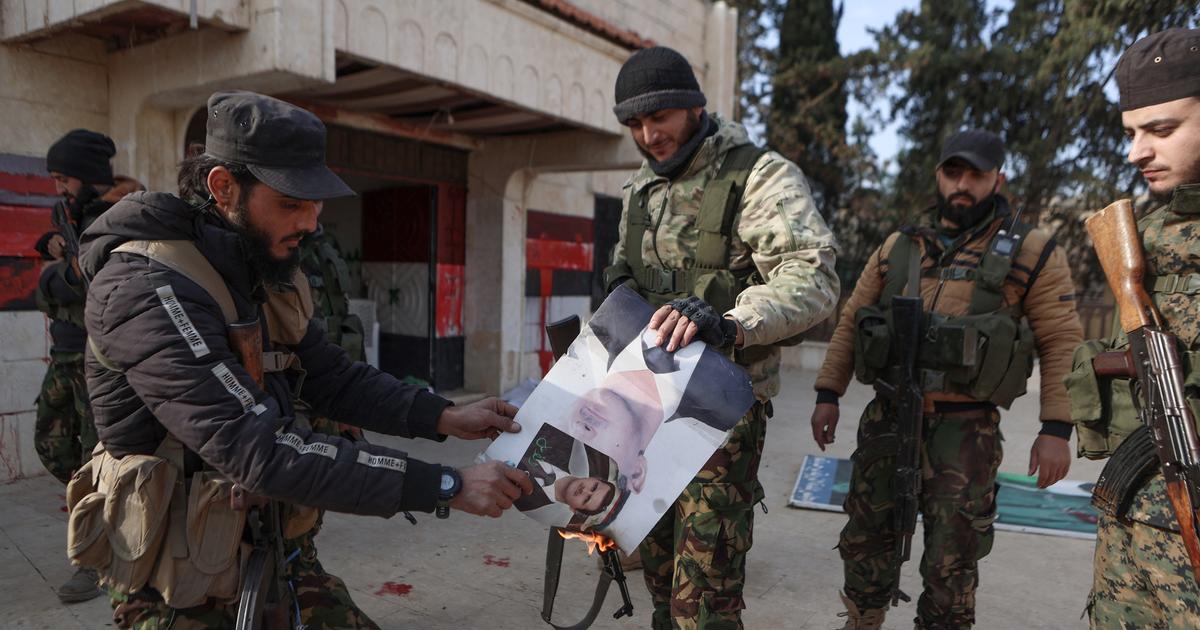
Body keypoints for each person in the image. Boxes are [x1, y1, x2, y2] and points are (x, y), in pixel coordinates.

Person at [74, 91, 532, 628]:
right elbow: (257, 447)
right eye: (291, 202)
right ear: (223, 187)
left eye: (315, 202)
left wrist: (442, 415)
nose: (311, 222)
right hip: (176, 583)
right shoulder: (146, 289)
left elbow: (328, 375)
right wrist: (446, 486)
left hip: (267, 548)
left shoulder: (253, 266)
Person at [602, 46, 840, 628]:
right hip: (644, 409)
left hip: (718, 412)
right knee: (656, 570)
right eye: (634, 123)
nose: (649, 134)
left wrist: (732, 323)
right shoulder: (640, 189)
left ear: (695, 106)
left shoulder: (757, 175)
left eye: (659, 117)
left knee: (704, 594)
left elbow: (813, 274)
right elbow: (624, 278)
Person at [810, 129, 1083, 628]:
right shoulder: (901, 244)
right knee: (867, 538)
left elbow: (1061, 340)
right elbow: (853, 319)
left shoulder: (1032, 249)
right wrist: (829, 393)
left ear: (998, 178)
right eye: (953, 172)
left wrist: (1056, 430)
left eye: (976, 175)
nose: (963, 184)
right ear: (938, 175)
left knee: (951, 559)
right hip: (889, 418)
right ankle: (861, 619)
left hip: (966, 431)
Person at [1066, 27, 1200, 628]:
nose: (1136, 152)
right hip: (1132, 534)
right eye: (1131, 133)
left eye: (1161, 130)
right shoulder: (1144, 238)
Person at [32, 129, 141, 604]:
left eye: (64, 178)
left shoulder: (117, 215)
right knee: (53, 446)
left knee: (99, 464)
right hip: (65, 350)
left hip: (100, 356)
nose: (59, 188)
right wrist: (54, 247)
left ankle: (98, 561)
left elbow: (88, 281)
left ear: (89, 177)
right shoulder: (72, 214)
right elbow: (68, 272)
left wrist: (53, 277)